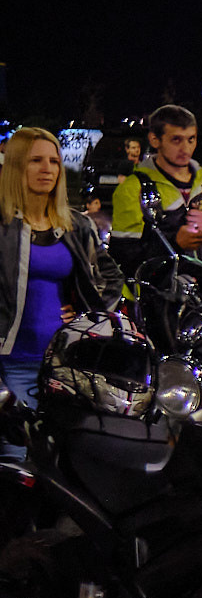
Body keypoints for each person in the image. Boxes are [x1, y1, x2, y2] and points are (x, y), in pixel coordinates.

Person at [1, 128, 108, 437]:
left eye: (54, 161)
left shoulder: (76, 225)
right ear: (16, 166)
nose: (47, 169)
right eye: (36, 160)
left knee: (62, 453)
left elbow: (109, 279)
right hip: (11, 363)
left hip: (65, 363)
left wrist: (84, 312)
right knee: (18, 453)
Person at [110, 104, 202, 281]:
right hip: (157, 302)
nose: (186, 149)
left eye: (191, 139)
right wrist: (175, 243)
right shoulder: (133, 188)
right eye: (176, 140)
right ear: (155, 140)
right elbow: (123, 260)